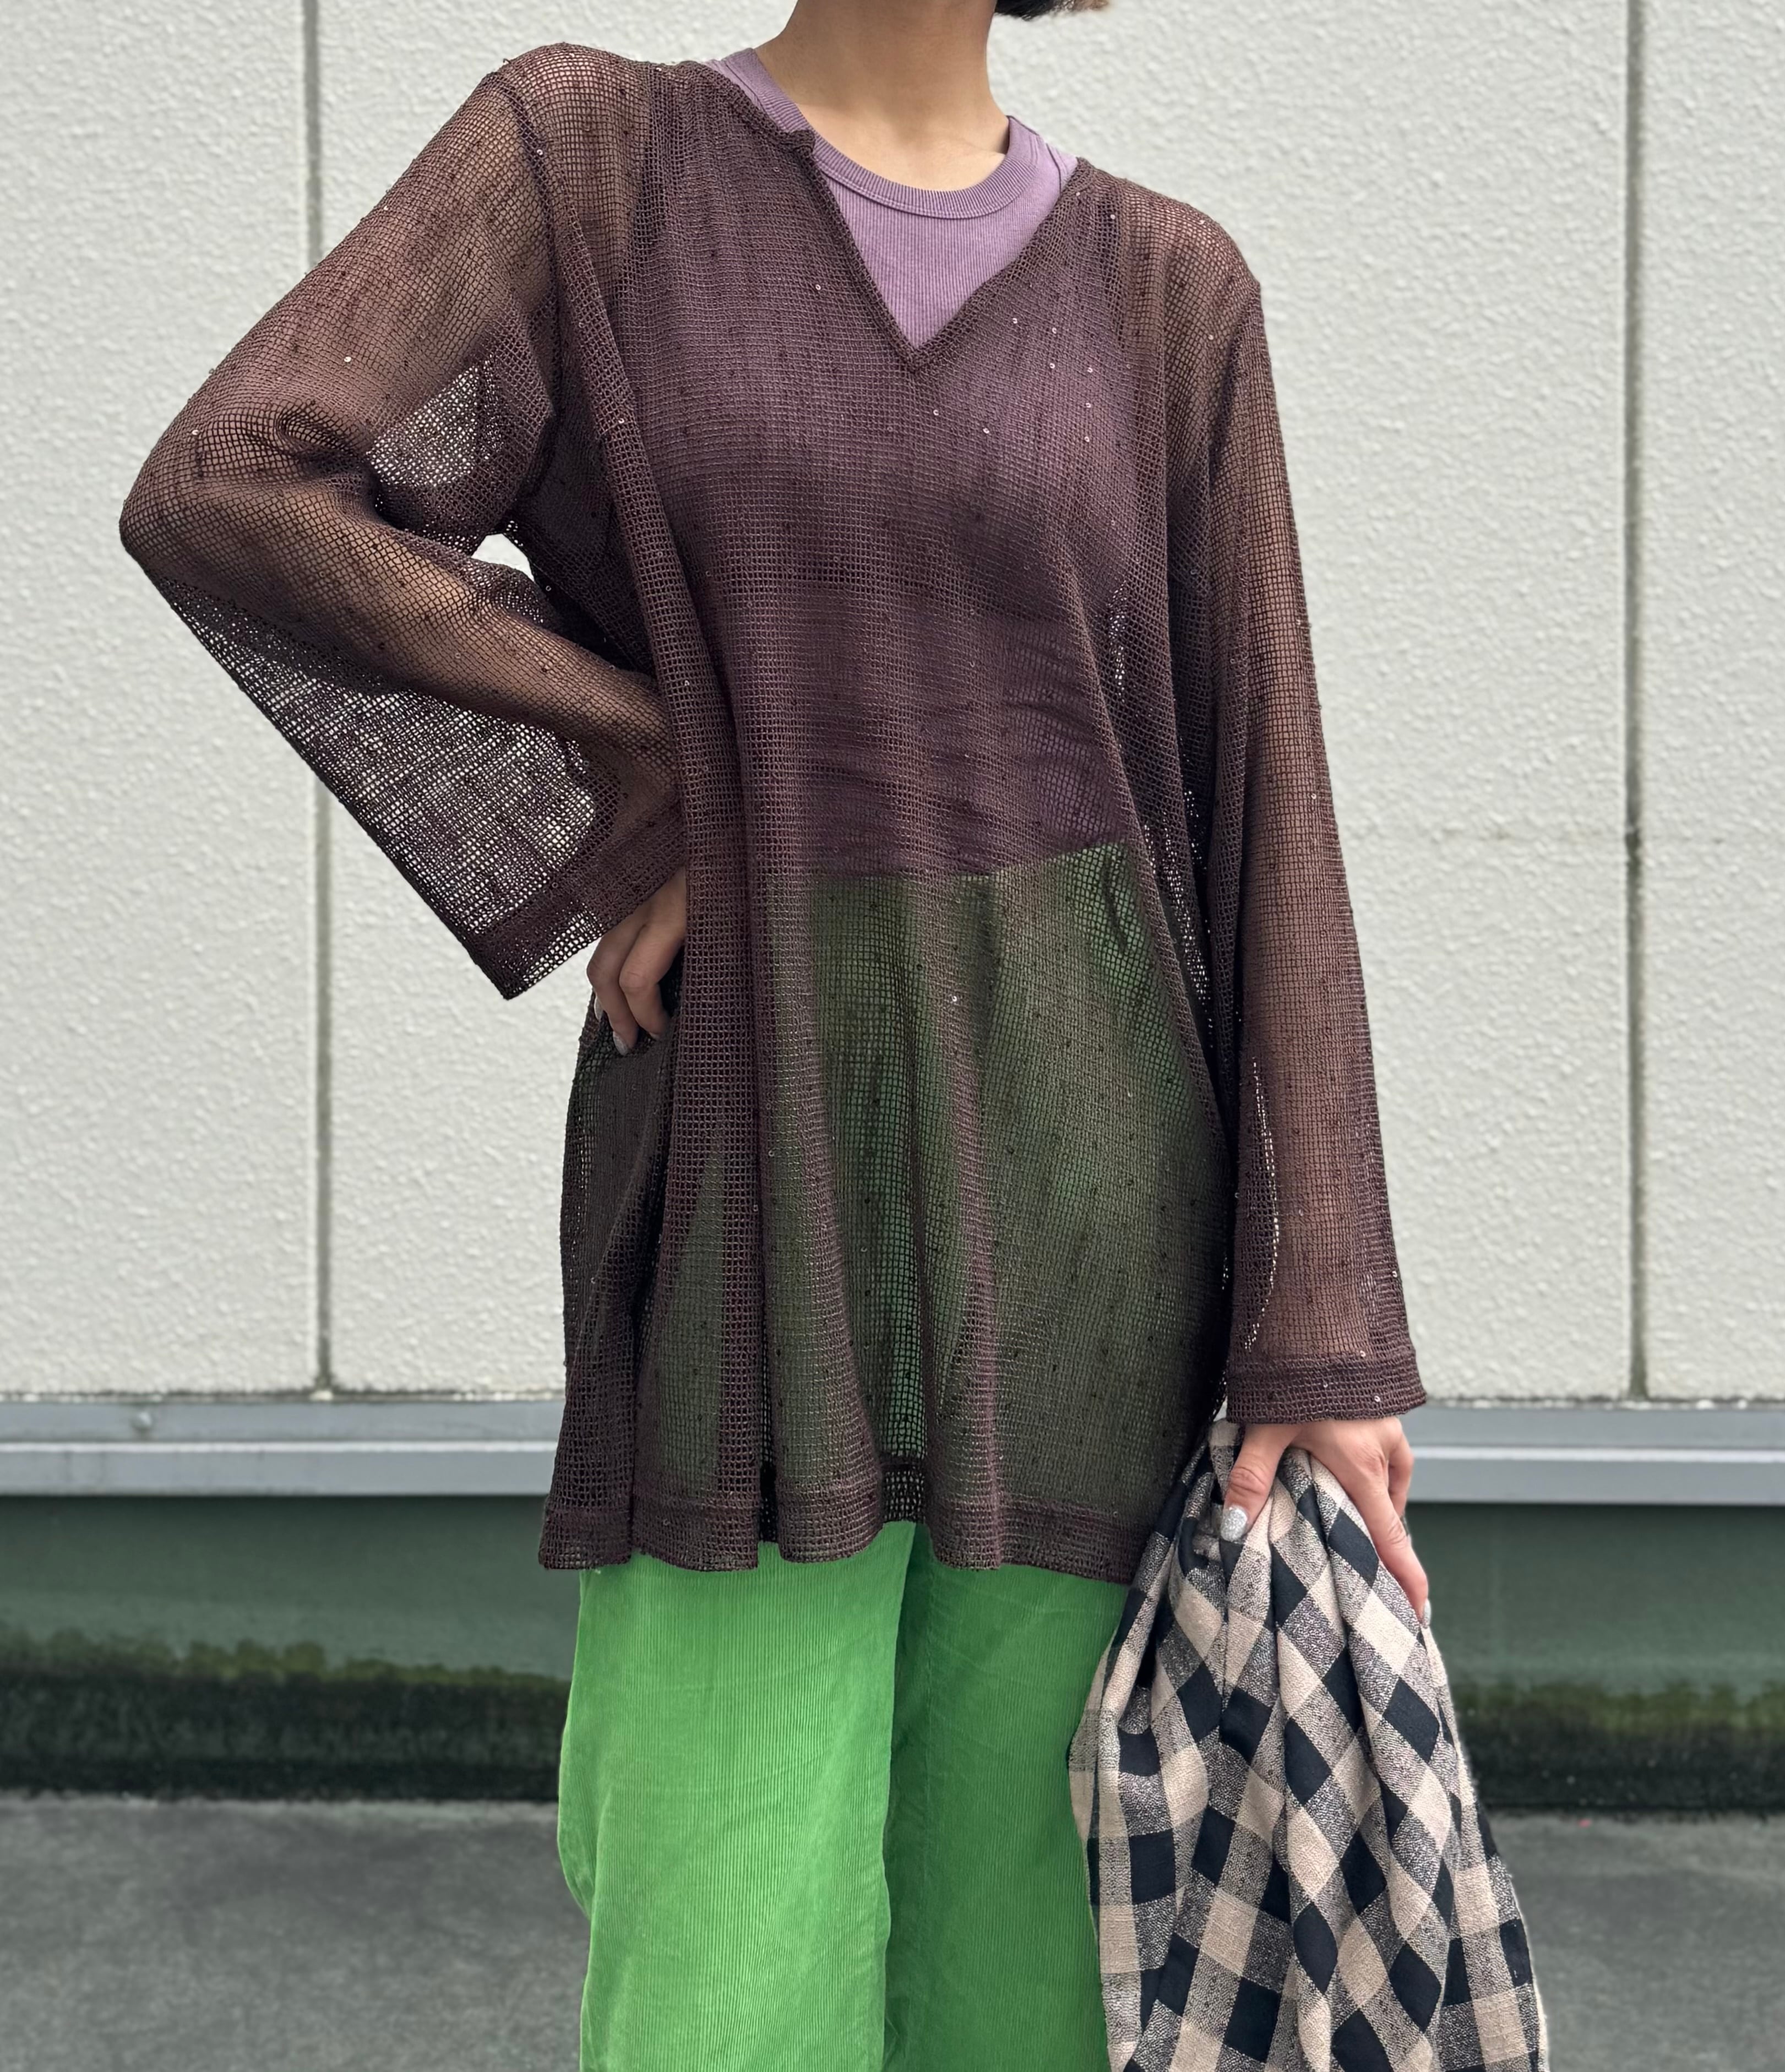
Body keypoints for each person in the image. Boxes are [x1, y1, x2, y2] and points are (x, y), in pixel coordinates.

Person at [120, 3, 1430, 2065]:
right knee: (718, 1954)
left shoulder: (1169, 289)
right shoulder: (589, 164)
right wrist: (652, 775)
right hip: (752, 1202)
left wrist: (1319, 1325)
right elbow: (236, 488)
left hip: (1091, 1240)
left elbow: (1261, 791)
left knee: (1023, 1977)